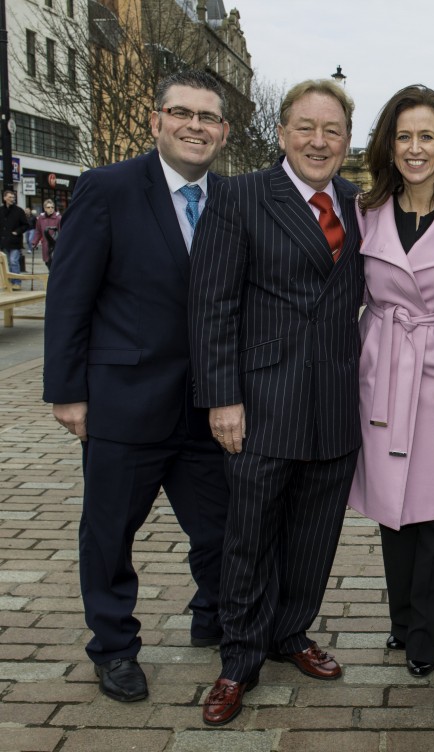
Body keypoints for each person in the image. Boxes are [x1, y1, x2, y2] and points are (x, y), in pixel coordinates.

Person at [42, 70, 232, 704]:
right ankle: (114, 645)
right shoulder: (107, 189)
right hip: (124, 401)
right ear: (157, 121)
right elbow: (70, 297)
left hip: (207, 405)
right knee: (109, 532)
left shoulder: (233, 199)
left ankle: (216, 617)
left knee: (222, 528)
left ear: (224, 132)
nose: (195, 126)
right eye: (182, 113)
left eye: (208, 117)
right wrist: (67, 392)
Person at [189, 79, 363, 727]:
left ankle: (291, 633)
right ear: (283, 133)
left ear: (347, 138)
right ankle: (239, 659)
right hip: (262, 402)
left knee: (315, 536)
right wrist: (221, 398)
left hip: (336, 403)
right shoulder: (238, 198)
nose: (319, 141)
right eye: (306, 128)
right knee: (250, 537)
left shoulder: (357, 201)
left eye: (333, 130)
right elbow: (212, 306)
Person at [348, 85, 434, 678]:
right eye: (403, 136)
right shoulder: (367, 208)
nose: (414, 147)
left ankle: (430, 634)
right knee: (391, 506)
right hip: (381, 369)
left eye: (426, 135)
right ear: (388, 144)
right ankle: (401, 621)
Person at [1, 190, 32, 288]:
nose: (12, 199)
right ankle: (9, 282)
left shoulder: (19, 211)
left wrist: (17, 232)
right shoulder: (1, 210)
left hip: (15, 241)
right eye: (10, 197)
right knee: (7, 263)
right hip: (4, 241)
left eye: (13, 197)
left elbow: (26, 225)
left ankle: (17, 283)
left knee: (13, 261)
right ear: (4, 197)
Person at [33, 200, 61, 268]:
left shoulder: (58, 218)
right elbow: (38, 231)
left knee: (55, 264)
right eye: (48, 207)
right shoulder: (41, 218)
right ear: (45, 208)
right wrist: (34, 242)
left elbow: (61, 231)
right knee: (47, 263)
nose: (51, 209)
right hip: (45, 244)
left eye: (52, 207)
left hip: (56, 245)